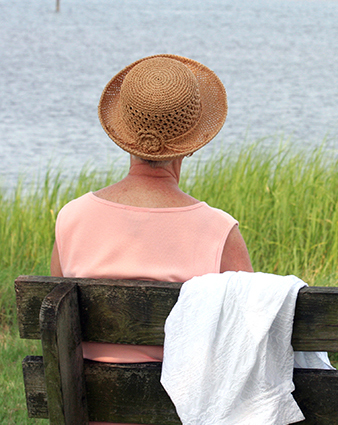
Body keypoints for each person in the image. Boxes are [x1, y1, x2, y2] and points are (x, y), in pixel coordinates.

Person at [50, 54, 253, 423]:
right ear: (193, 143)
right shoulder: (219, 232)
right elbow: (246, 346)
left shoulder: (71, 218)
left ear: (123, 134)